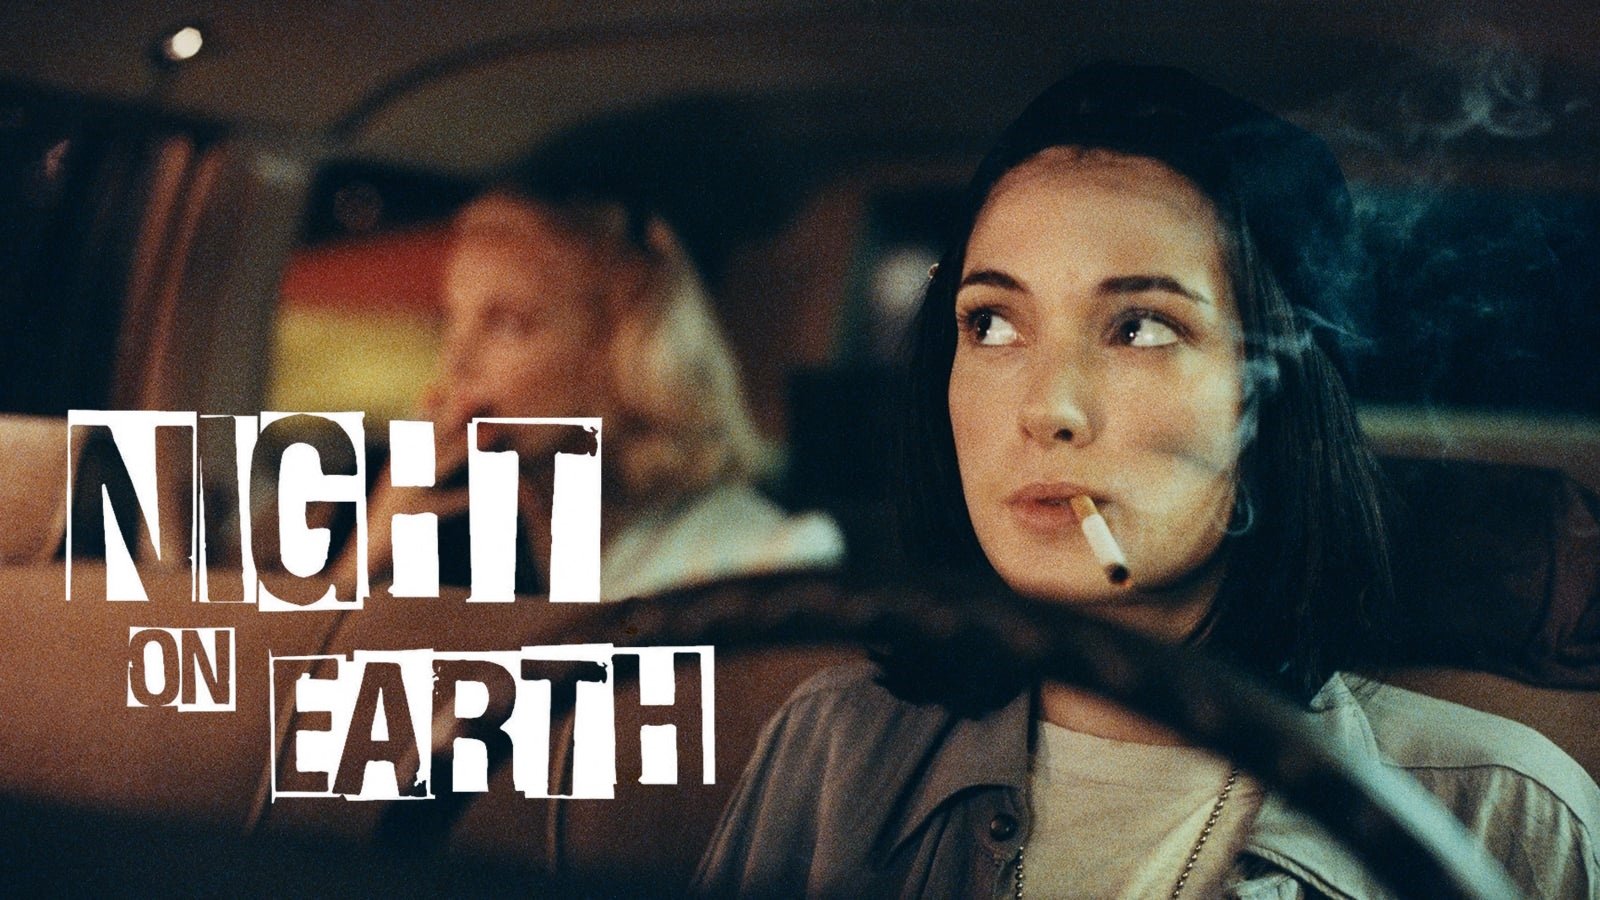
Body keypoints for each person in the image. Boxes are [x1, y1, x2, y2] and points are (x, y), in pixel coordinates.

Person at [694, 63, 1600, 897]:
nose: (1048, 408)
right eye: (992, 323)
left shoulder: (1503, 817)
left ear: (1274, 397)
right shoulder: (835, 749)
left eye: (1140, 328)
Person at [341, 179, 843, 600]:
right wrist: (369, 554)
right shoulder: (474, 542)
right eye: (452, 320)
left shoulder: (762, 561)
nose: (456, 362)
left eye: (509, 324)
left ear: (624, 350)